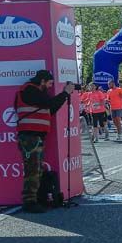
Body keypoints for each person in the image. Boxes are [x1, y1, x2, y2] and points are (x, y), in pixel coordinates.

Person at [13, 70, 74, 213]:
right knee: (32, 169)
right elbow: (48, 103)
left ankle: (37, 199)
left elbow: (50, 108)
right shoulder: (29, 90)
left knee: (37, 169)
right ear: (42, 81)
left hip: (36, 136)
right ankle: (29, 202)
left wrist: (64, 96)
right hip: (30, 137)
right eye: (49, 83)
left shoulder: (36, 92)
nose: (51, 86)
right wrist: (65, 93)